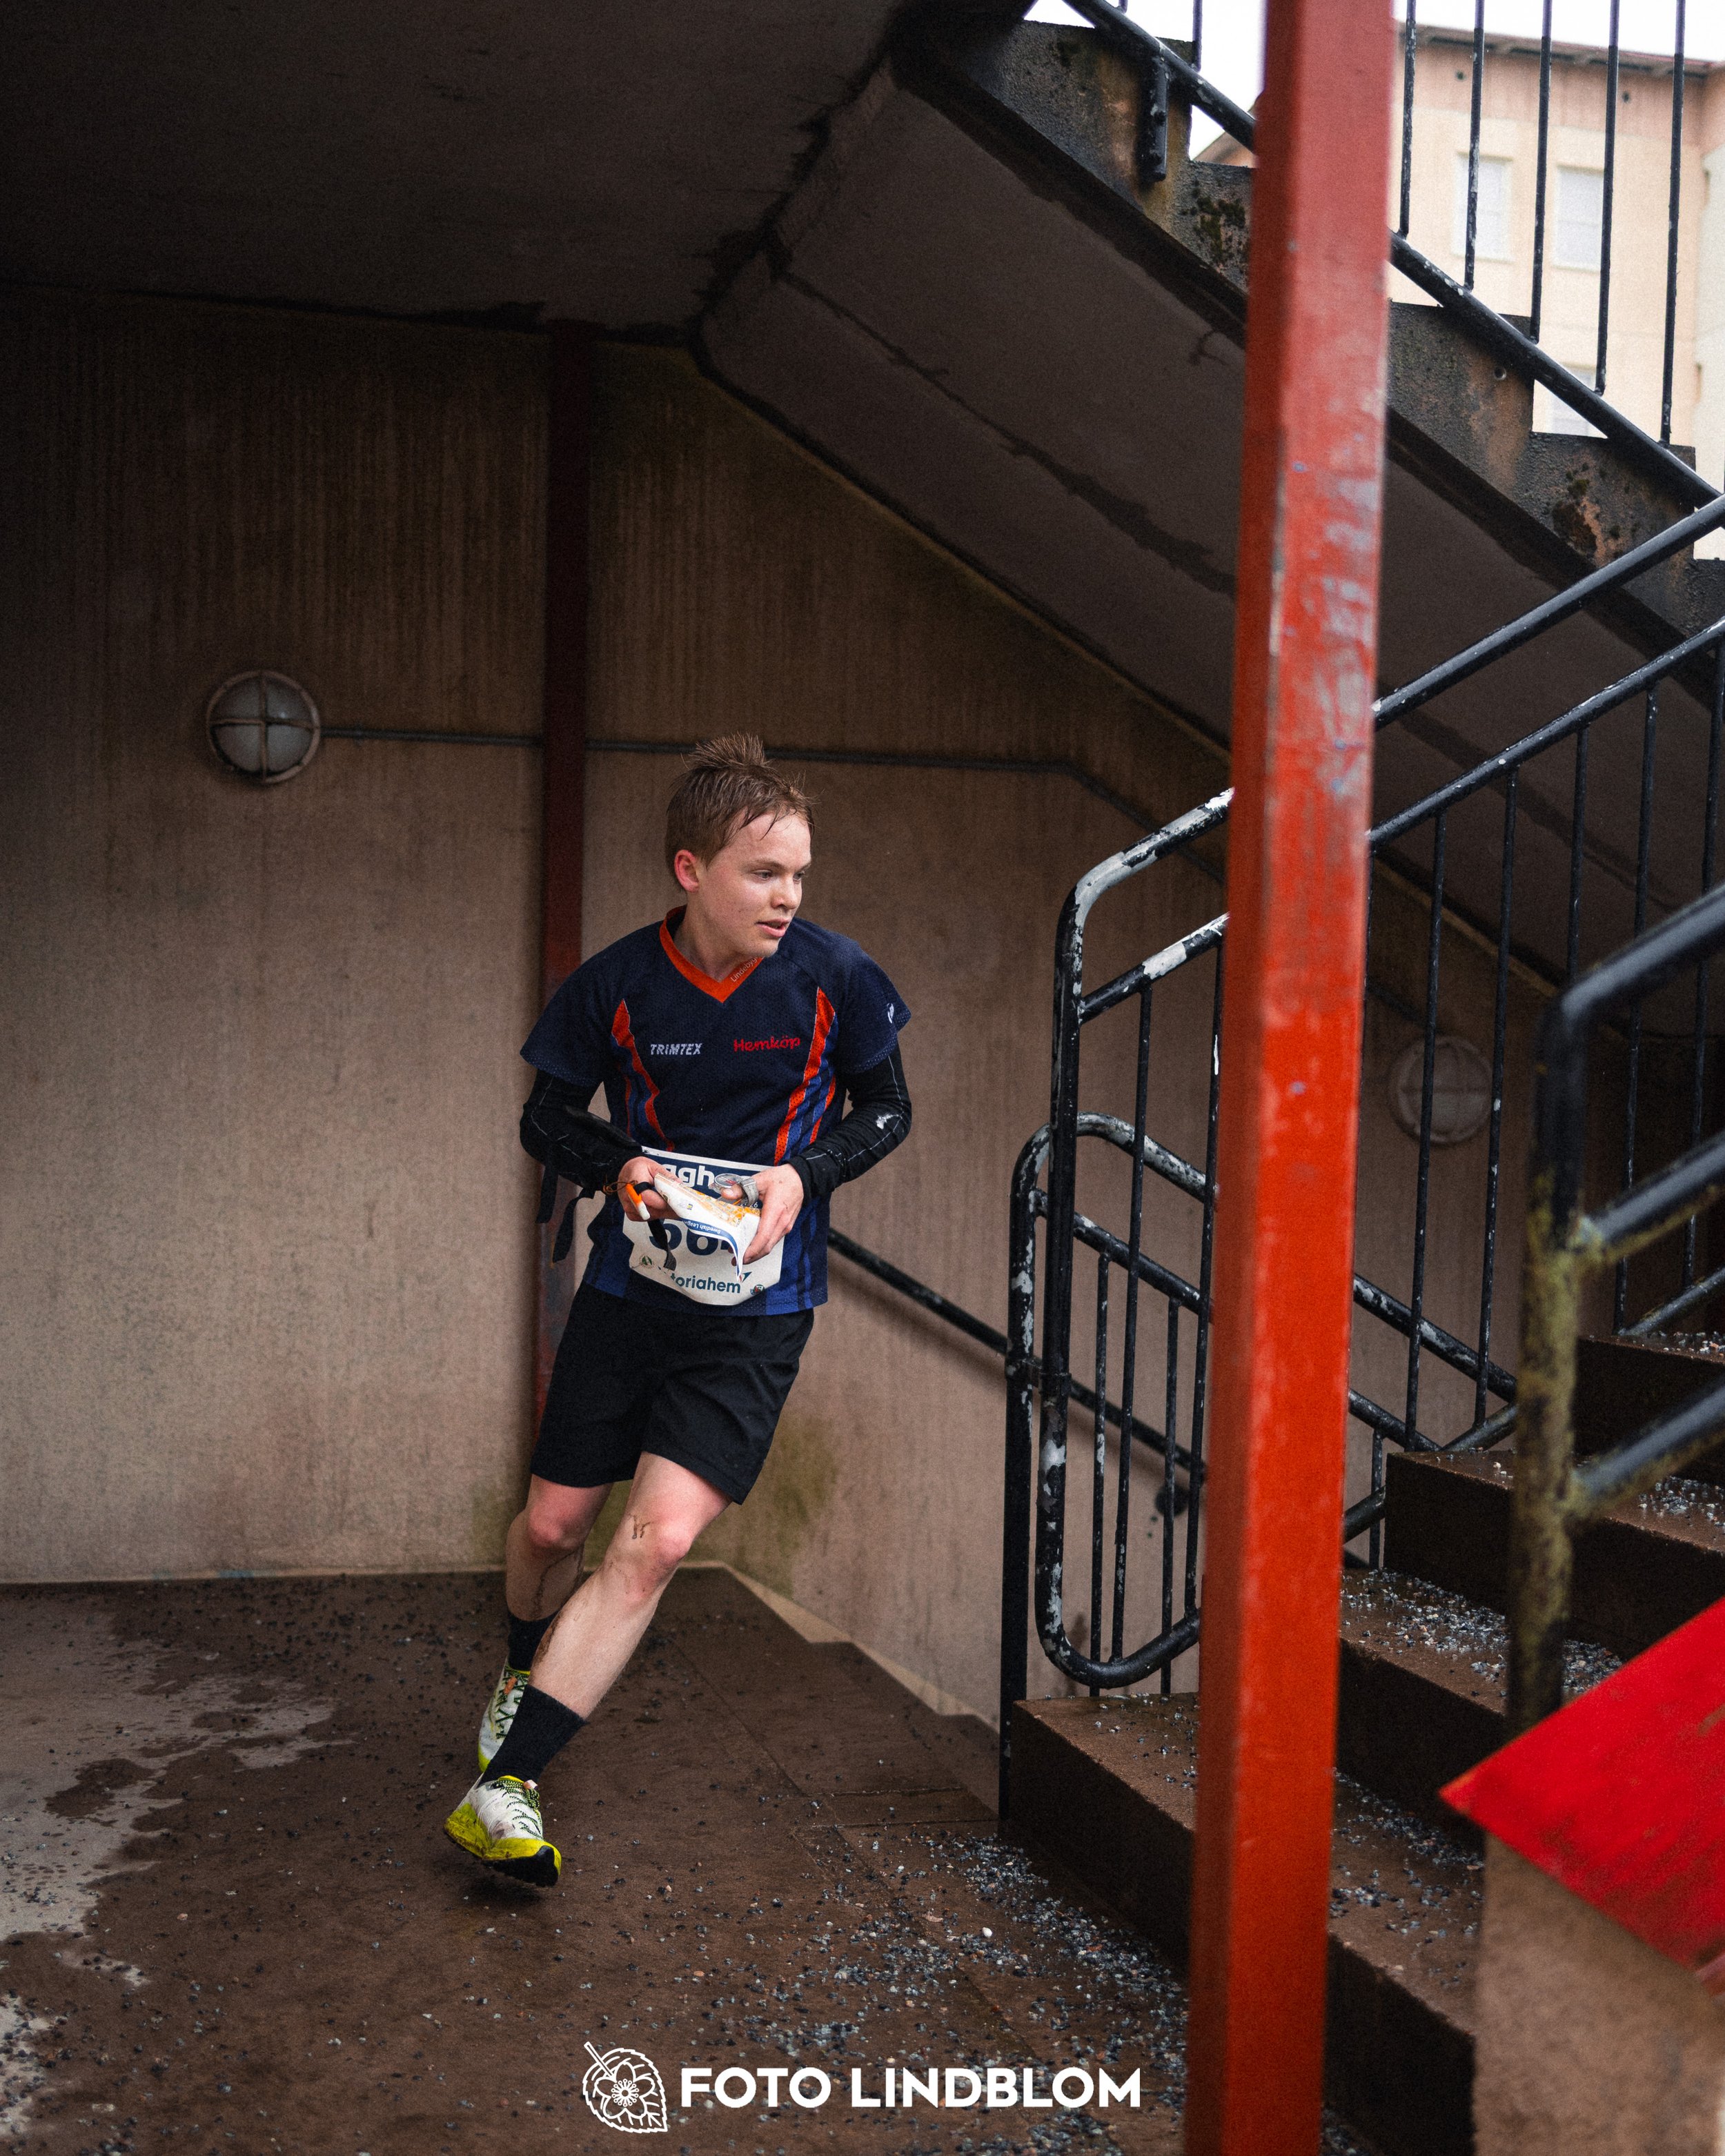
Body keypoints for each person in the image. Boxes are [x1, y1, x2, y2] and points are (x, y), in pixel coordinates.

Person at [444, 734, 912, 1884]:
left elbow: (889, 1109)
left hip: (759, 1313)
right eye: (764, 873)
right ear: (690, 870)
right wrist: (623, 1169)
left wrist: (808, 1175)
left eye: (799, 874)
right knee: (554, 1530)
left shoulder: (836, 976)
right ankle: (522, 1658)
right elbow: (543, 1119)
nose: (787, 897)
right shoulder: (614, 983)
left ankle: (510, 1784)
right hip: (627, 1295)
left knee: (654, 1543)